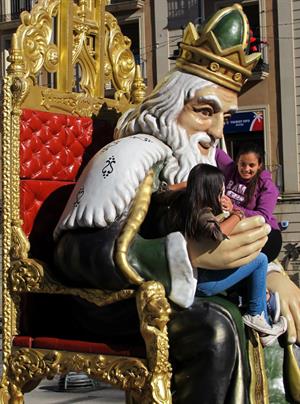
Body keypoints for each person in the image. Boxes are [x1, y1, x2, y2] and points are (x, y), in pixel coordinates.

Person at [53, 4, 300, 403]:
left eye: (224, 117)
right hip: (115, 300)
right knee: (215, 327)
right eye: (205, 112)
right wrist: (180, 254)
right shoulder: (133, 155)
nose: (216, 133)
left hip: (178, 293)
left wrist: (273, 276)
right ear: (171, 108)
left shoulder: (203, 167)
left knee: (274, 315)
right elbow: (75, 252)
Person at [184, 163, 287, 346]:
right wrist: (237, 214)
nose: (223, 193)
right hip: (204, 282)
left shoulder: (190, 208)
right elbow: (218, 233)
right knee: (260, 259)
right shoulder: (202, 214)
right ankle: (257, 314)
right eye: (220, 189)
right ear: (211, 189)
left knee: (249, 263)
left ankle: (263, 316)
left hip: (203, 278)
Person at [217, 142, 282, 262]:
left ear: (259, 165)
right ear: (237, 162)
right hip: (236, 228)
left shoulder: (268, 186)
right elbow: (213, 151)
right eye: (242, 164)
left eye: (251, 165)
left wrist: (233, 208)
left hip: (265, 235)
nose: (246, 169)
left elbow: (263, 216)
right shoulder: (230, 168)